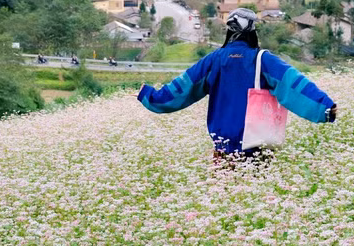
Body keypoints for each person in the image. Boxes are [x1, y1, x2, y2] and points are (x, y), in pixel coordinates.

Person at [137, 8, 338, 161]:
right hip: (257, 150)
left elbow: (180, 89)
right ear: (253, 32)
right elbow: (295, 85)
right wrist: (325, 108)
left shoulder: (213, 60)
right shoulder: (263, 59)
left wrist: (150, 96)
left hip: (223, 152)